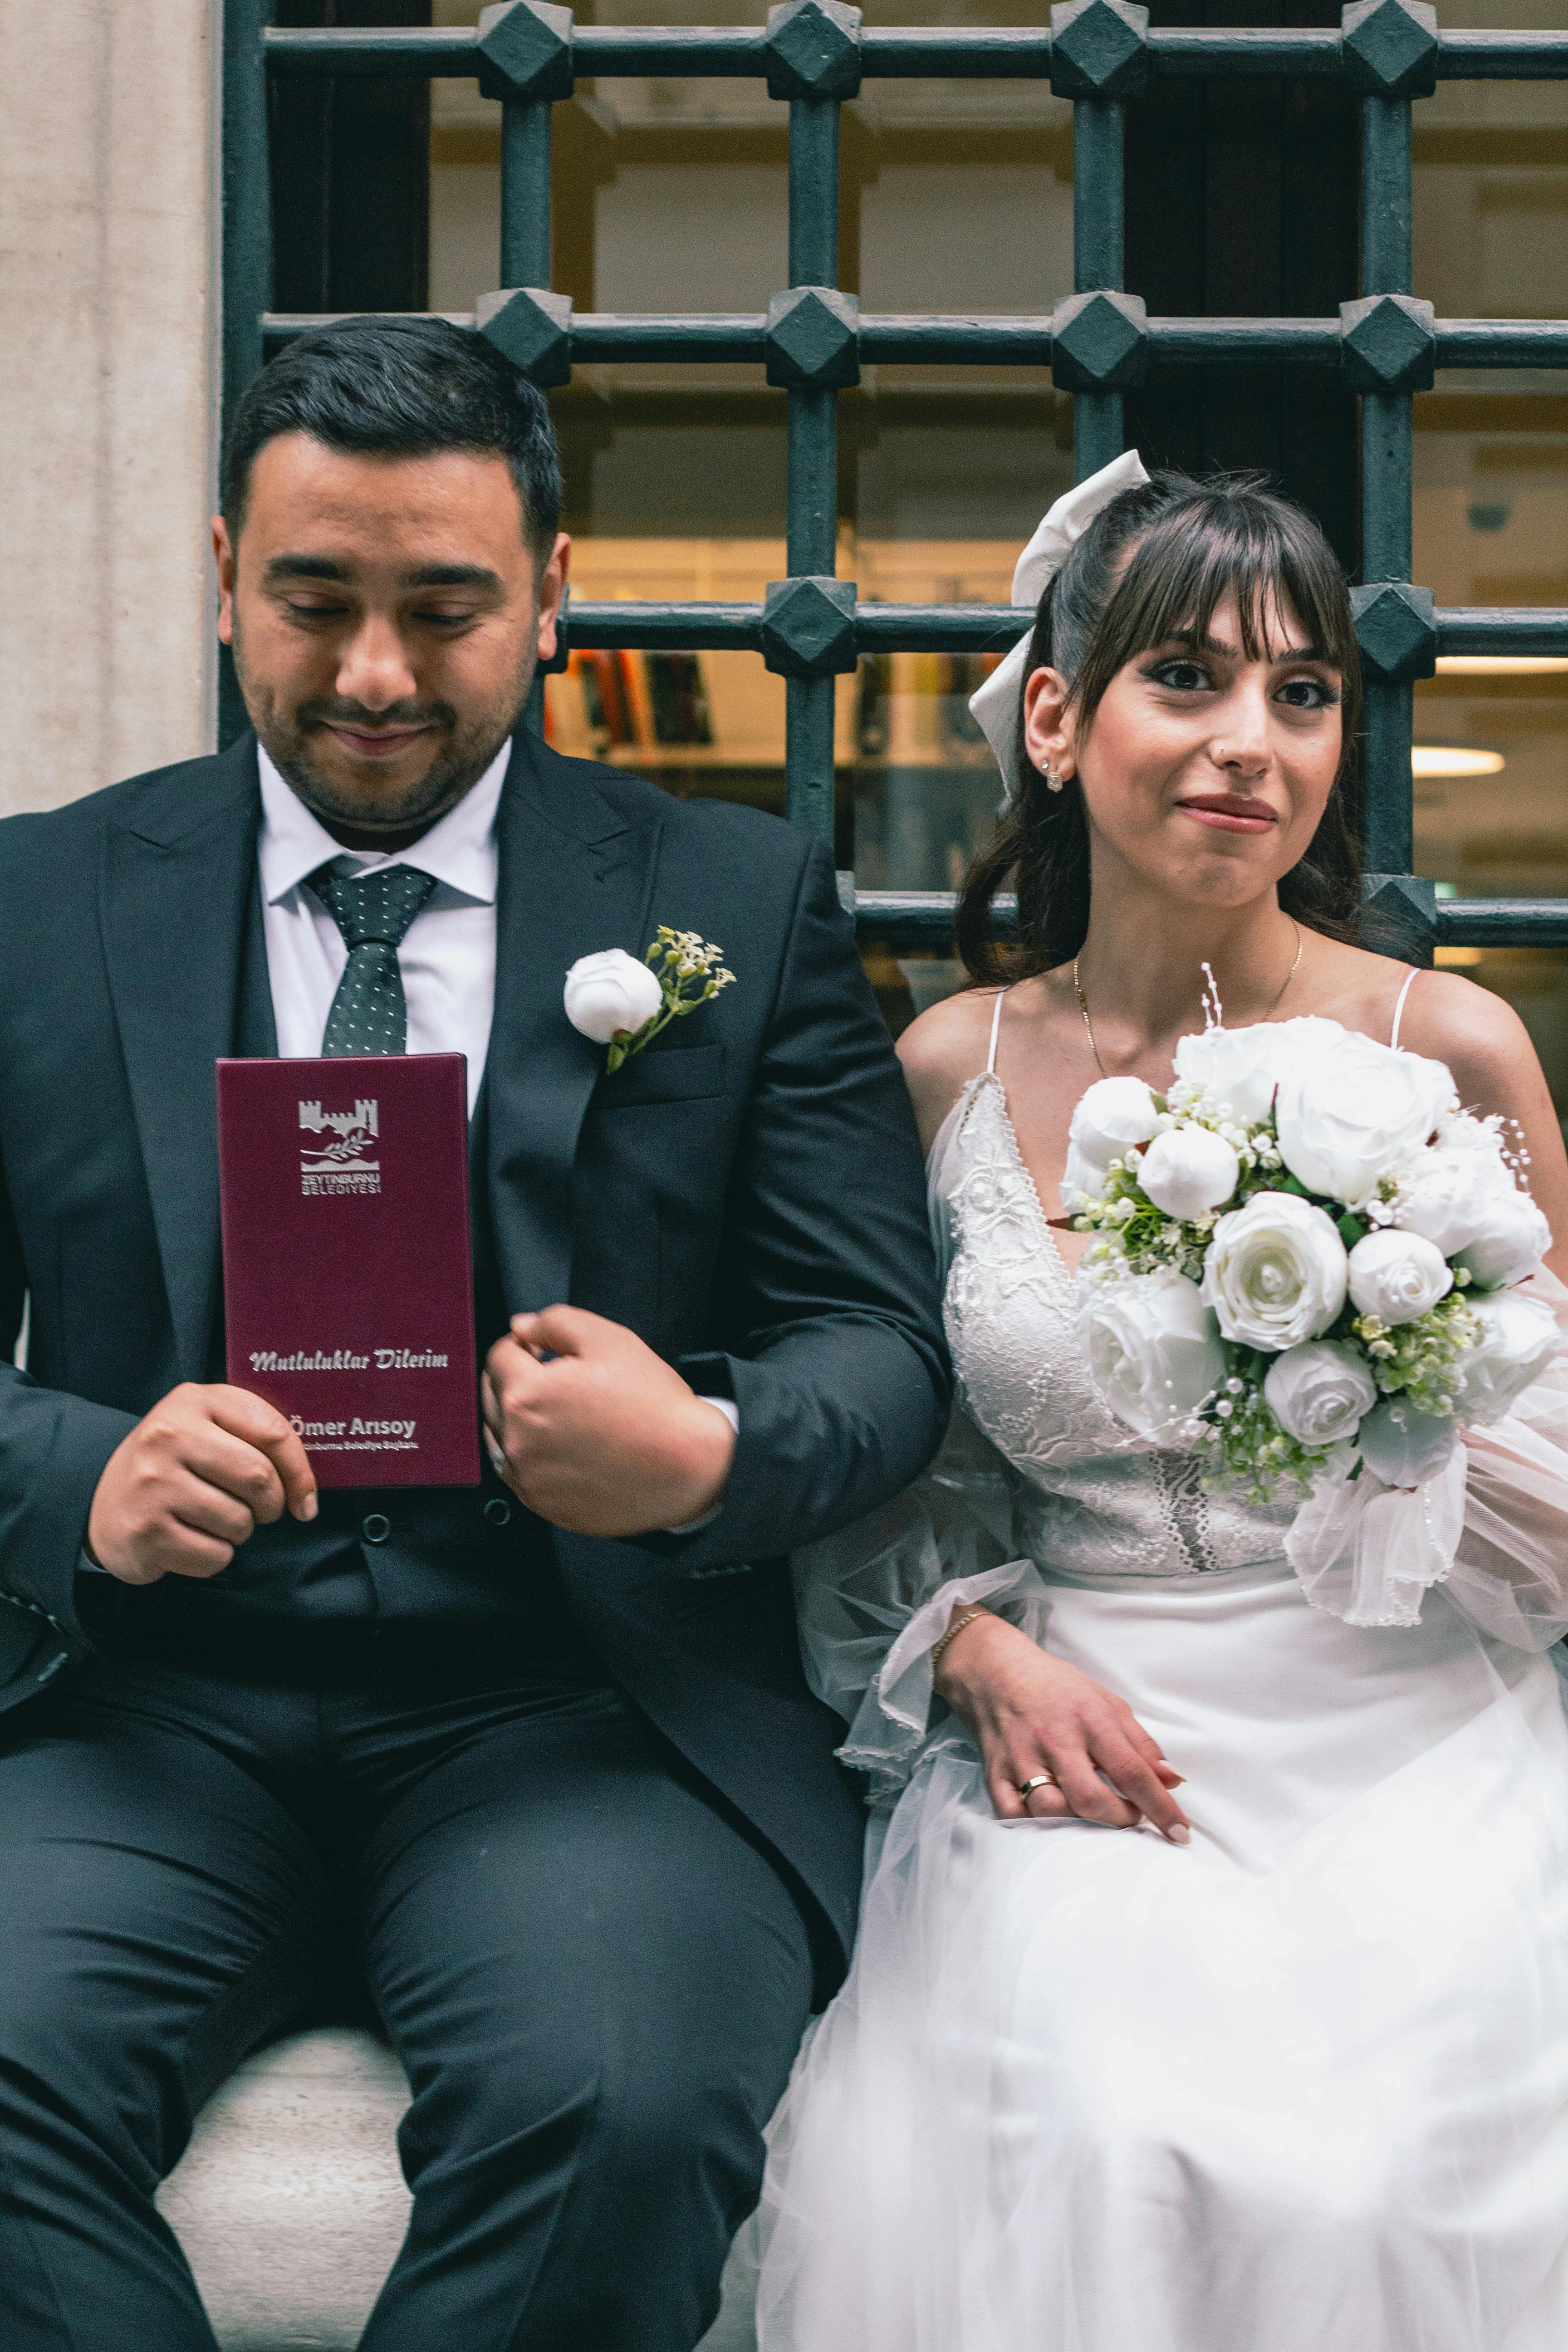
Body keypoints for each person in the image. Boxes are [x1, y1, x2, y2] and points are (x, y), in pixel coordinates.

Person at [0, 314, 950, 2352]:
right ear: (221, 580)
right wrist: (84, 1473)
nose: (369, 675)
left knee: (619, 2107)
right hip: (142, 1711)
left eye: (441, 610)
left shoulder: (738, 895)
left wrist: (705, 1450)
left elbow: (876, 1338)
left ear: (551, 595)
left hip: (576, 1712)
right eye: (314, 601)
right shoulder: (34, 901)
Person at [752, 461, 1568, 2352]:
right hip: (1085, 1728)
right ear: (1056, 716)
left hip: (1409, 1720)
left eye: (1301, 695)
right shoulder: (946, 1066)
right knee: (1106, 2134)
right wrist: (973, 1659)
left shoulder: (1443, 1043)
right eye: (1185, 679)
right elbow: (891, 1460)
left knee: (1389, 2162)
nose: (1250, 745)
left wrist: (1407, 1417)